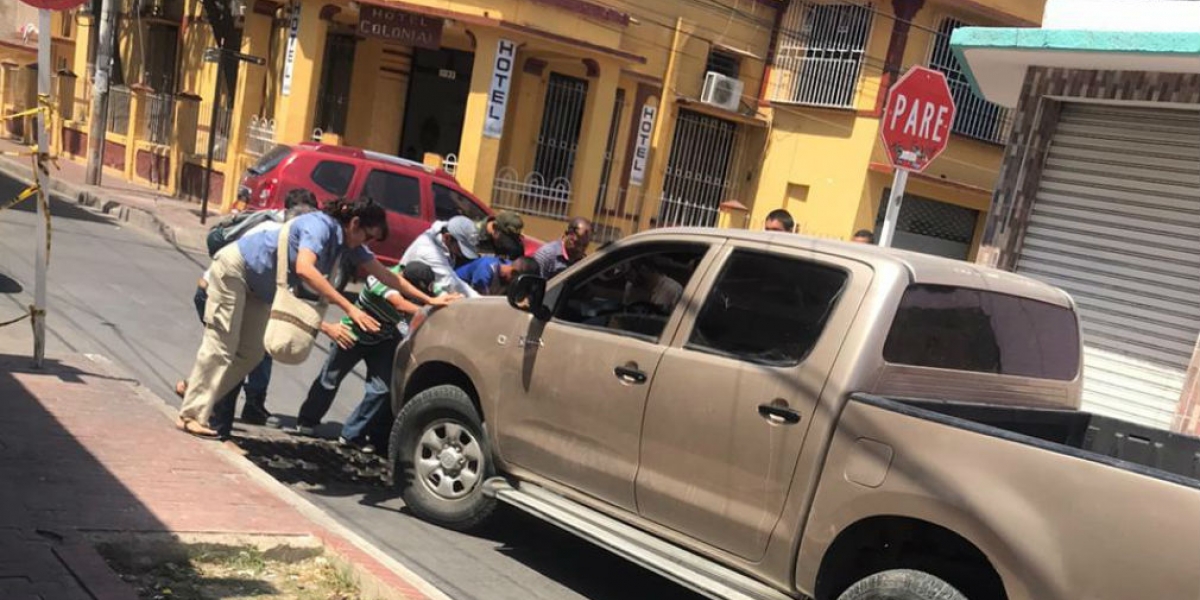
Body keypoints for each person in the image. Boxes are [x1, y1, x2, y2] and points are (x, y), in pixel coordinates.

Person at [176, 197, 453, 439]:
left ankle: (198, 396)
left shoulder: (349, 242)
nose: (366, 244)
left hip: (260, 290)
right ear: (355, 223)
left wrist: (430, 300)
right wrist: (350, 308)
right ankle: (191, 413)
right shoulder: (319, 226)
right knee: (222, 345)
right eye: (367, 236)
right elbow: (305, 269)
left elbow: (387, 275)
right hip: (236, 270)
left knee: (250, 354)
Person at [176, 189, 319, 429]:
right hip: (219, 287)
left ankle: (197, 393)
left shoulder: (294, 240)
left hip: (252, 295)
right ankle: (207, 419)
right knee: (224, 350)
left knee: (250, 354)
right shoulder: (270, 231)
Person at [290, 262, 438, 448]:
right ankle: (307, 420)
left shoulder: (422, 282)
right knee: (330, 380)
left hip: (383, 338)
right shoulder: (380, 278)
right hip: (353, 335)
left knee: (381, 389)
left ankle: (352, 433)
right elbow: (399, 302)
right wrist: (428, 308)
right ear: (404, 281)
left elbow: (441, 291)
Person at [401, 216, 482, 298]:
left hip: (439, 280)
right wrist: (479, 300)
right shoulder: (429, 250)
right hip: (415, 291)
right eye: (461, 248)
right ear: (447, 238)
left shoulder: (447, 229)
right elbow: (451, 283)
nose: (462, 253)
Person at [456, 256, 539, 296]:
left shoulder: (512, 268)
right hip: (456, 288)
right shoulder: (485, 271)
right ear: (514, 273)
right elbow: (479, 302)